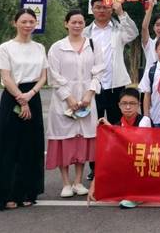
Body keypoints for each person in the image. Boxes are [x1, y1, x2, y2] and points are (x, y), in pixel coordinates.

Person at [46, 10, 105, 198]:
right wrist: (69, 97)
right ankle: (65, 183)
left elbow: (98, 72)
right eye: (73, 22)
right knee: (64, 139)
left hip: (86, 100)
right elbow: (53, 76)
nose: (77, 25)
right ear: (66, 24)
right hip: (64, 102)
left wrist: (89, 93)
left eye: (80, 22)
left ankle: (78, 181)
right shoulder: (57, 47)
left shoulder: (93, 45)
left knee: (82, 140)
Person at [0, 9, 48, 210]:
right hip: (13, 96)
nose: (28, 25)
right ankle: (8, 194)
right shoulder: (5, 48)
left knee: (31, 145)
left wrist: (30, 95)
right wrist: (22, 99)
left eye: (31, 22)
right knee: (10, 146)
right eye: (24, 21)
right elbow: (5, 76)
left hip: (33, 95)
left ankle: (27, 192)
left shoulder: (39, 47)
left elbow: (43, 76)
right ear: (15, 23)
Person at [89, 88, 151, 208]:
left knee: (134, 158)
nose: (128, 107)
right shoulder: (118, 125)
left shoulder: (144, 120)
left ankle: (137, 195)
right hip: (127, 162)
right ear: (119, 105)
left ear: (139, 104)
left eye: (132, 103)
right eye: (124, 103)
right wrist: (93, 185)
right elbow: (106, 156)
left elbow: (133, 141)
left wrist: (111, 128)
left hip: (144, 162)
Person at [84, 0, 138, 125]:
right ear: (92, 9)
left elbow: (133, 33)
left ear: (111, 9)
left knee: (116, 124)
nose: (102, 10)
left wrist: (121, 13)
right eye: (98, 7)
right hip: (92, 85)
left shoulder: (119, 29)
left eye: (106, 7)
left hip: (115, 85)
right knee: (92, 125)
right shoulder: (85, 32)